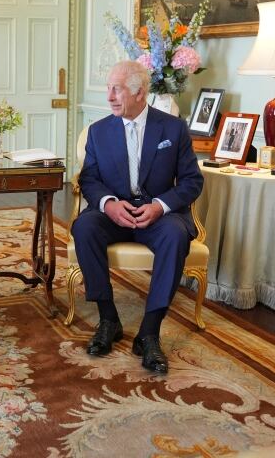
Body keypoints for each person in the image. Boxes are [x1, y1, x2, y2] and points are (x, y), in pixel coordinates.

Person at [72, 60, 203, 374]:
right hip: (113, 215)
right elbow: (88, 179)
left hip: (157, 217)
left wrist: (159, 206)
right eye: (108, 89)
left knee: (175, 234)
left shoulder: (172, 128)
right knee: (85, 226)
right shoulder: (99, 131)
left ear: (140, 92)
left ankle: (149, 332)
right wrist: (108, 204)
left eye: (116, 89)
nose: (109, 97)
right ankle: (108, 320)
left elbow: (192, 181)